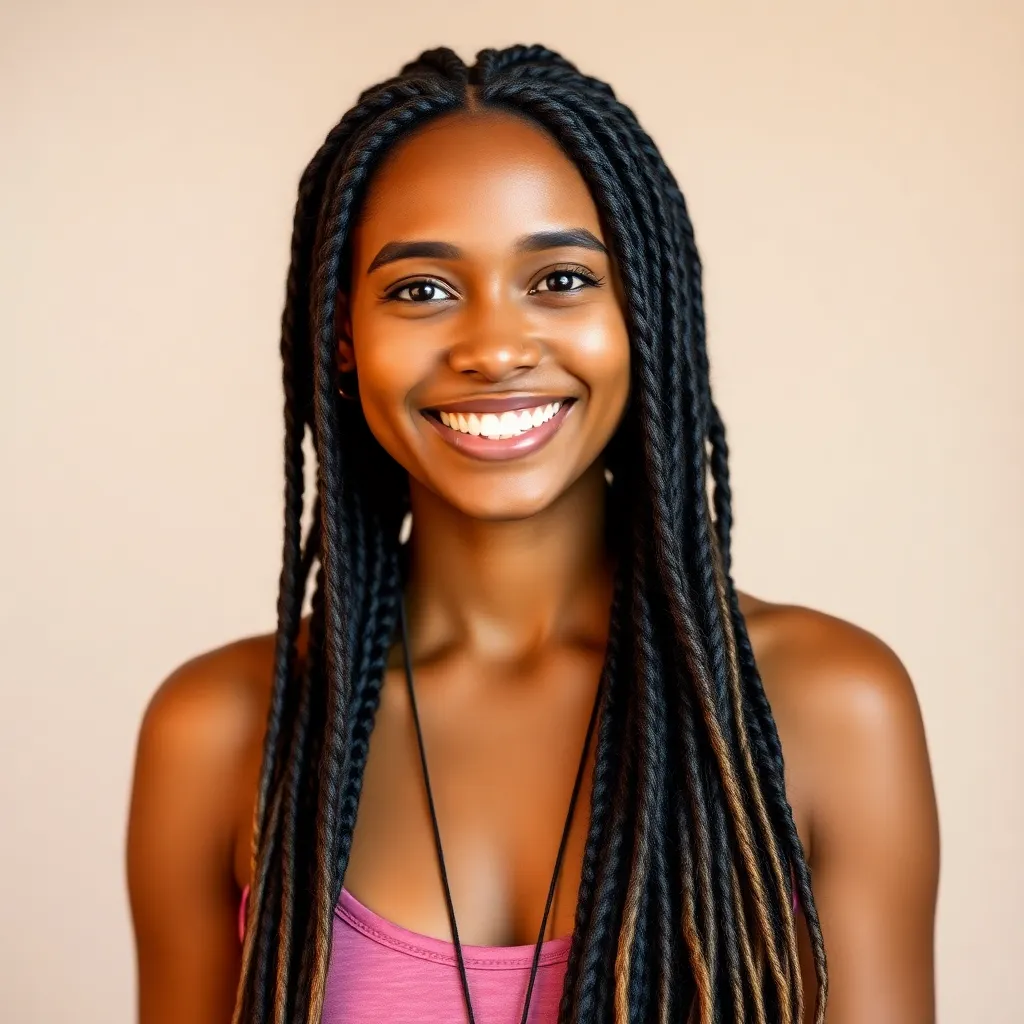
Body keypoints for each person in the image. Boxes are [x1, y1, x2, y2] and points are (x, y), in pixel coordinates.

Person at [126, 44, 940, 1024]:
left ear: (641, 312)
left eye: (558, 278)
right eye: (420, 289)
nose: (496, 348)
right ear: (342, 337)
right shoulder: (218, 734)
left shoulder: (832, 710)